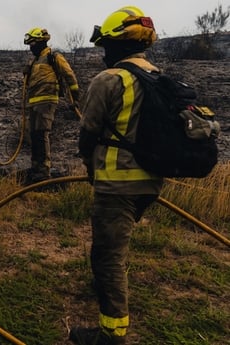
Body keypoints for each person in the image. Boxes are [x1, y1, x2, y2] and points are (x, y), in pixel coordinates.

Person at [72, 6, 161, 345]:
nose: (104, 53)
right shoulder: (156, 76)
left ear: (117, 44)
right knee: (116, 247)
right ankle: (110, 286)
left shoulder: (109, 80)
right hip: (149, 182)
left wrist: (89, 165)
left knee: (107, 258)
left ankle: (112, 334)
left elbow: (88, 132)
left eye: (106, 45)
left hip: (117, 183)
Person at [22, 27, 79, 183]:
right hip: (33, 102)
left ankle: (43, 170)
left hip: (46, 101)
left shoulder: (53, 56)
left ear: (41, 42)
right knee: (34, 135)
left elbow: (69, 75)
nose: (31, 47)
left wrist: (76, 96)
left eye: (33, 43)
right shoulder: (34, 61)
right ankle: (36, 167)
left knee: (41, 134)